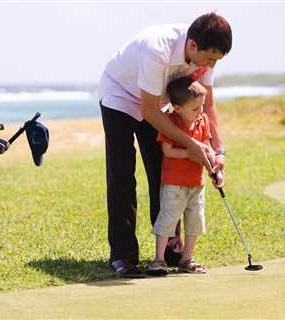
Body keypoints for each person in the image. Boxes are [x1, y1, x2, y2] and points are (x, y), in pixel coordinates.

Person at [99, 13, 231, 278]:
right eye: (210, 58)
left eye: (217, 60)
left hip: (156, 103)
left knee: (165, 172)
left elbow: (209, 105)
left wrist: (217, 150)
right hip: (120, 97)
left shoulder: (205, 55)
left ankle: (170, 250)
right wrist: (191, 143)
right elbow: (147, 110)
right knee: (122, 175)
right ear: (192, 46)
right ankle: (123, 256)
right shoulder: (157, 48)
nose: (211, 65)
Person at [146, 77, 223, 276]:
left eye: (202, 107)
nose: (200, 113)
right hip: (174, 184)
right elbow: (168, 151)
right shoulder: (171, 122)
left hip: (196, 184)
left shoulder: (203, 120)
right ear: (178, 109)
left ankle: (186, 259)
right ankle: (159, 259)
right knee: (168, 220)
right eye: (195, 109)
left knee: (195, 221)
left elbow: (207, 145)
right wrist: (191, 153)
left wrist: (214, 167)